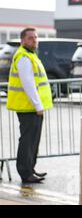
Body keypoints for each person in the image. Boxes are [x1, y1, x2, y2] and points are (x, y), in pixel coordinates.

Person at [6, 28, 53, 184]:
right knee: (27, 140)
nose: (34, 40)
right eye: (31, 38)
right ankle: (25, 172)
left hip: (33, 107)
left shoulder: (31, 55)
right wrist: (38, 105)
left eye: (36, 37)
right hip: (28, 107)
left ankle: (30, 169)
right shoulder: (23, 57)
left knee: (33, 140)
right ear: (23, 40)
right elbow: (28, 84)